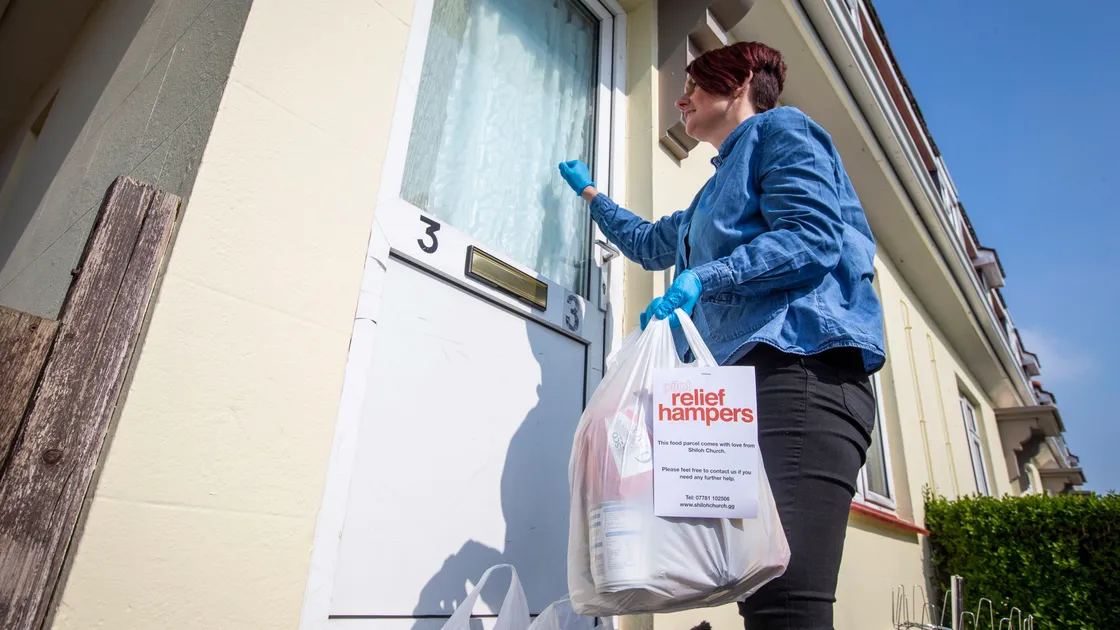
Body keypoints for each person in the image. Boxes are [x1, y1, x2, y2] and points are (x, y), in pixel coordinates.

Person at [557, 41, 886, 629]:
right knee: (758, 594)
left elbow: (812, 237)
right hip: (741, 391)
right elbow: (648, 242)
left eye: (695, 85)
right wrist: (590, 195)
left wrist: (706, 279)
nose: (680, 99)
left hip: (800, 371)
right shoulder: (710, 194)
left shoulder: (783, 130)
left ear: (738, 85)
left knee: (785, 601)